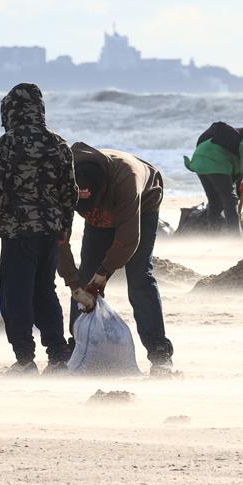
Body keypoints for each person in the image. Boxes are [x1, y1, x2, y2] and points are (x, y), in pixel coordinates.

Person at [0, 83, 78, 375]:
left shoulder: (5, 143)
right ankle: (58, 355)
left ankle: (24, 358)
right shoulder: (58, 143)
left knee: (15, 292)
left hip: (17, 230)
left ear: (9, 112)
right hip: (49, 230)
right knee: (44, 290)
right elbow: (69, 192)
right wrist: (65, 228)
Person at [59, 143, 175, 373]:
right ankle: (78, 346)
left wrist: (103, 274)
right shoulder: (62, 180)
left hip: (143, 204)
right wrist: (74, 285)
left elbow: (129, 238)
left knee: (140, 275)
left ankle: (159, 353)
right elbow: (58, 239)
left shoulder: (126, 179)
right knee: (85, 277)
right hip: (100, 214)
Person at [184, 122, 243, 233]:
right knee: (230, 200)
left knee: (215, 202)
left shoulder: (238, 144)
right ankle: (236, 237)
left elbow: (228, 179)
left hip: (200, 158)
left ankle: (213, 237)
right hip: (215, 158)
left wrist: (238, 186)